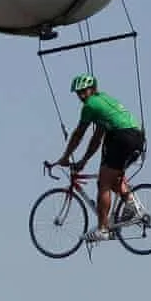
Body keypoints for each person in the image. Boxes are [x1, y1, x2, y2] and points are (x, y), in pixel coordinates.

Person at [53, 72, 145, 241]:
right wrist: (83, 160)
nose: (81, 96)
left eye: (84, 91)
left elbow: (78, 134)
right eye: (78, 93)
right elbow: (96, 139)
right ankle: (131, 203)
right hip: (137, 138)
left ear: (93, 89)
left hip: (122, 137)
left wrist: (65, 157)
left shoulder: (90, 105)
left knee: (103, 182)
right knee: (112, 177)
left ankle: (103, 229)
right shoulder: (103, 100)